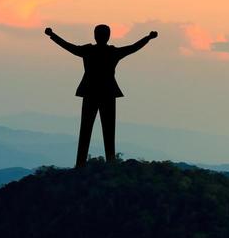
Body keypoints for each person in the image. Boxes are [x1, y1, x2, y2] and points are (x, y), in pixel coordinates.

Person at [44, 24, 158, 167]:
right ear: (108, 36)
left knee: (85, 130)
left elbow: (69, 47)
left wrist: (52, 35)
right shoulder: (112, 52)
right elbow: (133, 47)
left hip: (90, 92)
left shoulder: (88, 51)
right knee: (109, 132)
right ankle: (109, 163)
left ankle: (81, 165)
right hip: (108, 93)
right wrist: (148, 38)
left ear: (95, 35)